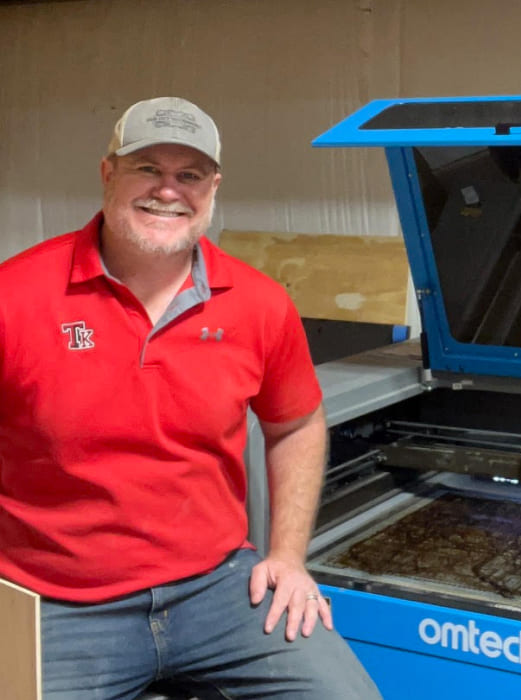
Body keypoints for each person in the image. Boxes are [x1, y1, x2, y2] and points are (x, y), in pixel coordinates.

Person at [0, 97, 382, 699]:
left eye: (189, 174)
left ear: (213, 186)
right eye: (147, 168)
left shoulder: (258, 303)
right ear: (108, 173)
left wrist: (286, 556)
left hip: (218, 588)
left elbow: (298, 425)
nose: (167, 190)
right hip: (60, 604)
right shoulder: (15, 296)